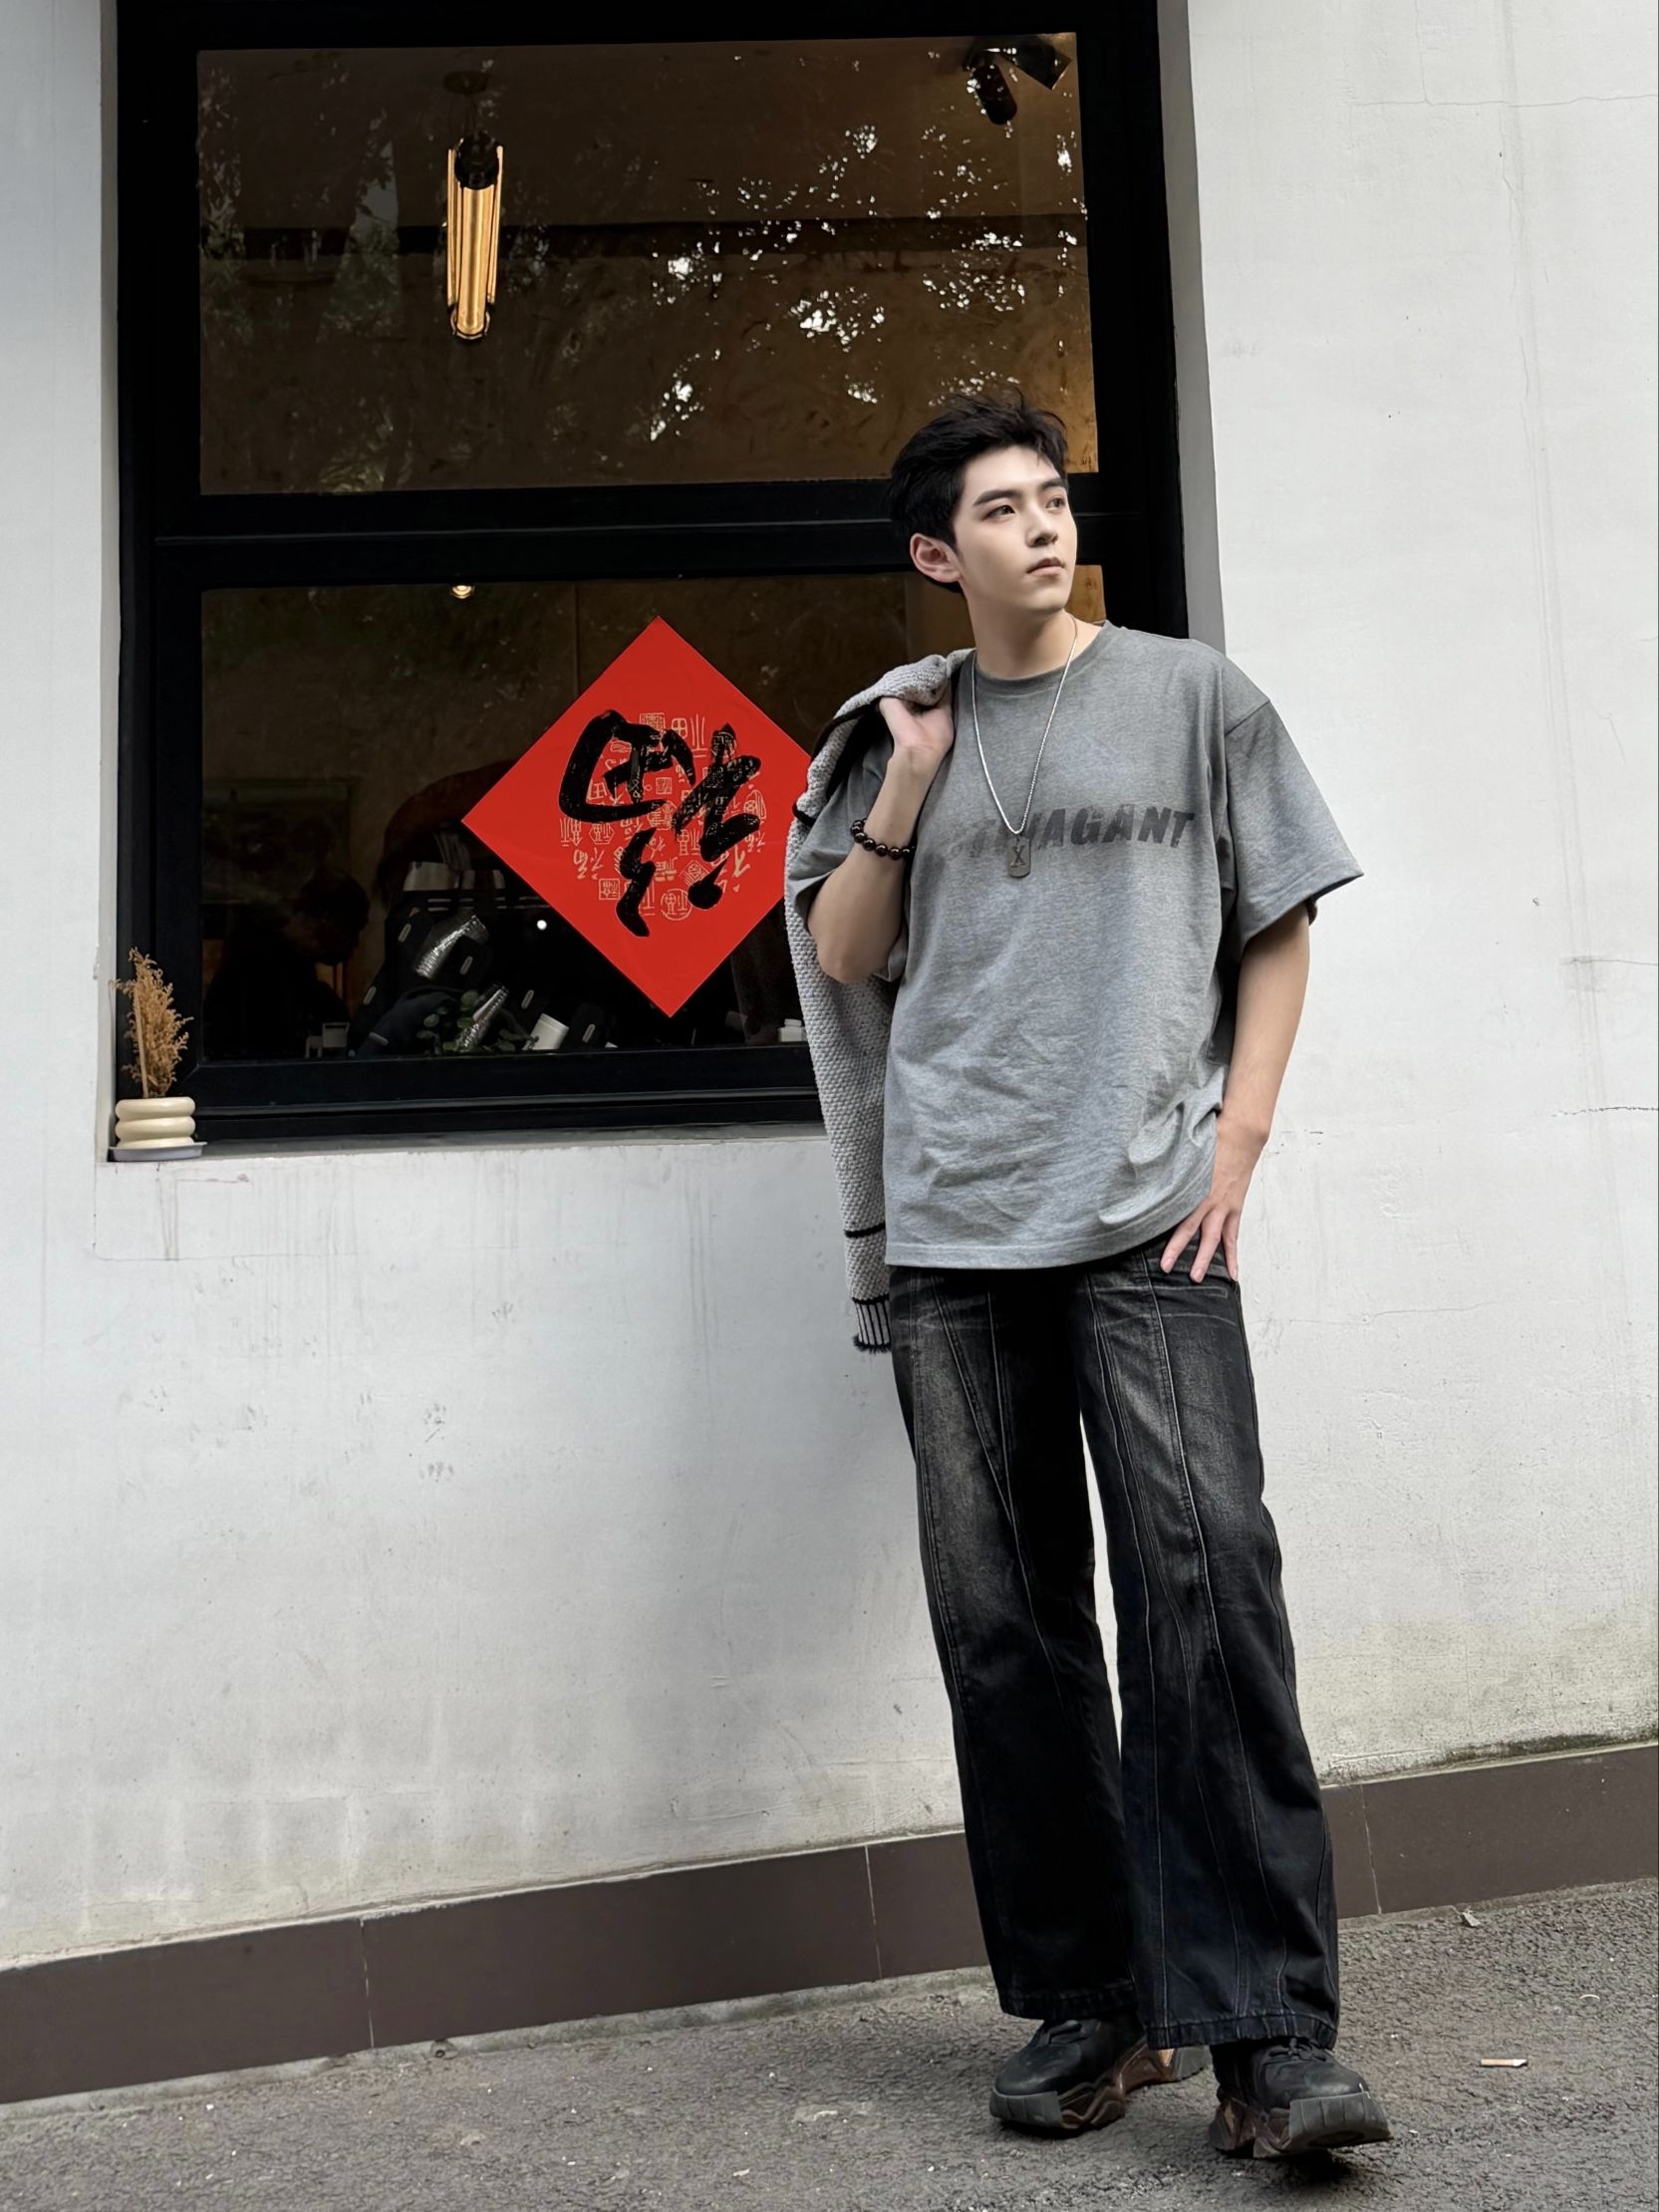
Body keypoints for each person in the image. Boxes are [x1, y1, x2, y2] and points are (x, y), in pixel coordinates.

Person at [782, 392, 1392, 2162]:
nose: (1041, 526)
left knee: (1206, 1595)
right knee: (1008, 1633)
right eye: (1000, 509)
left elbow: (1276, 919)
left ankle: (1269, 2041)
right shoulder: (893, 732)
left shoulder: (1197, 699)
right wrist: (905, 786)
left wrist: (1238, 1138)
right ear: (935, 554)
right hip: (955, 1231)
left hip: (1146, 1215)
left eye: (1051, 498)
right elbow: (842, 955)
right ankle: (1096, 2002)